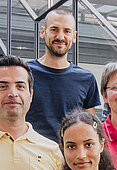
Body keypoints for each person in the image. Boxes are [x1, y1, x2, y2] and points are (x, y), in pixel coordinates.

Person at [26, 8, 101, 142]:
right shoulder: (25, 73)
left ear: (74, 36)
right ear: (43, 32)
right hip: (32, 155)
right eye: (54, 29)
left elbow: (89, 128)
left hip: (70, 157)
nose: (60, 37)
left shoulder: (86, 79)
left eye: (67, 31)